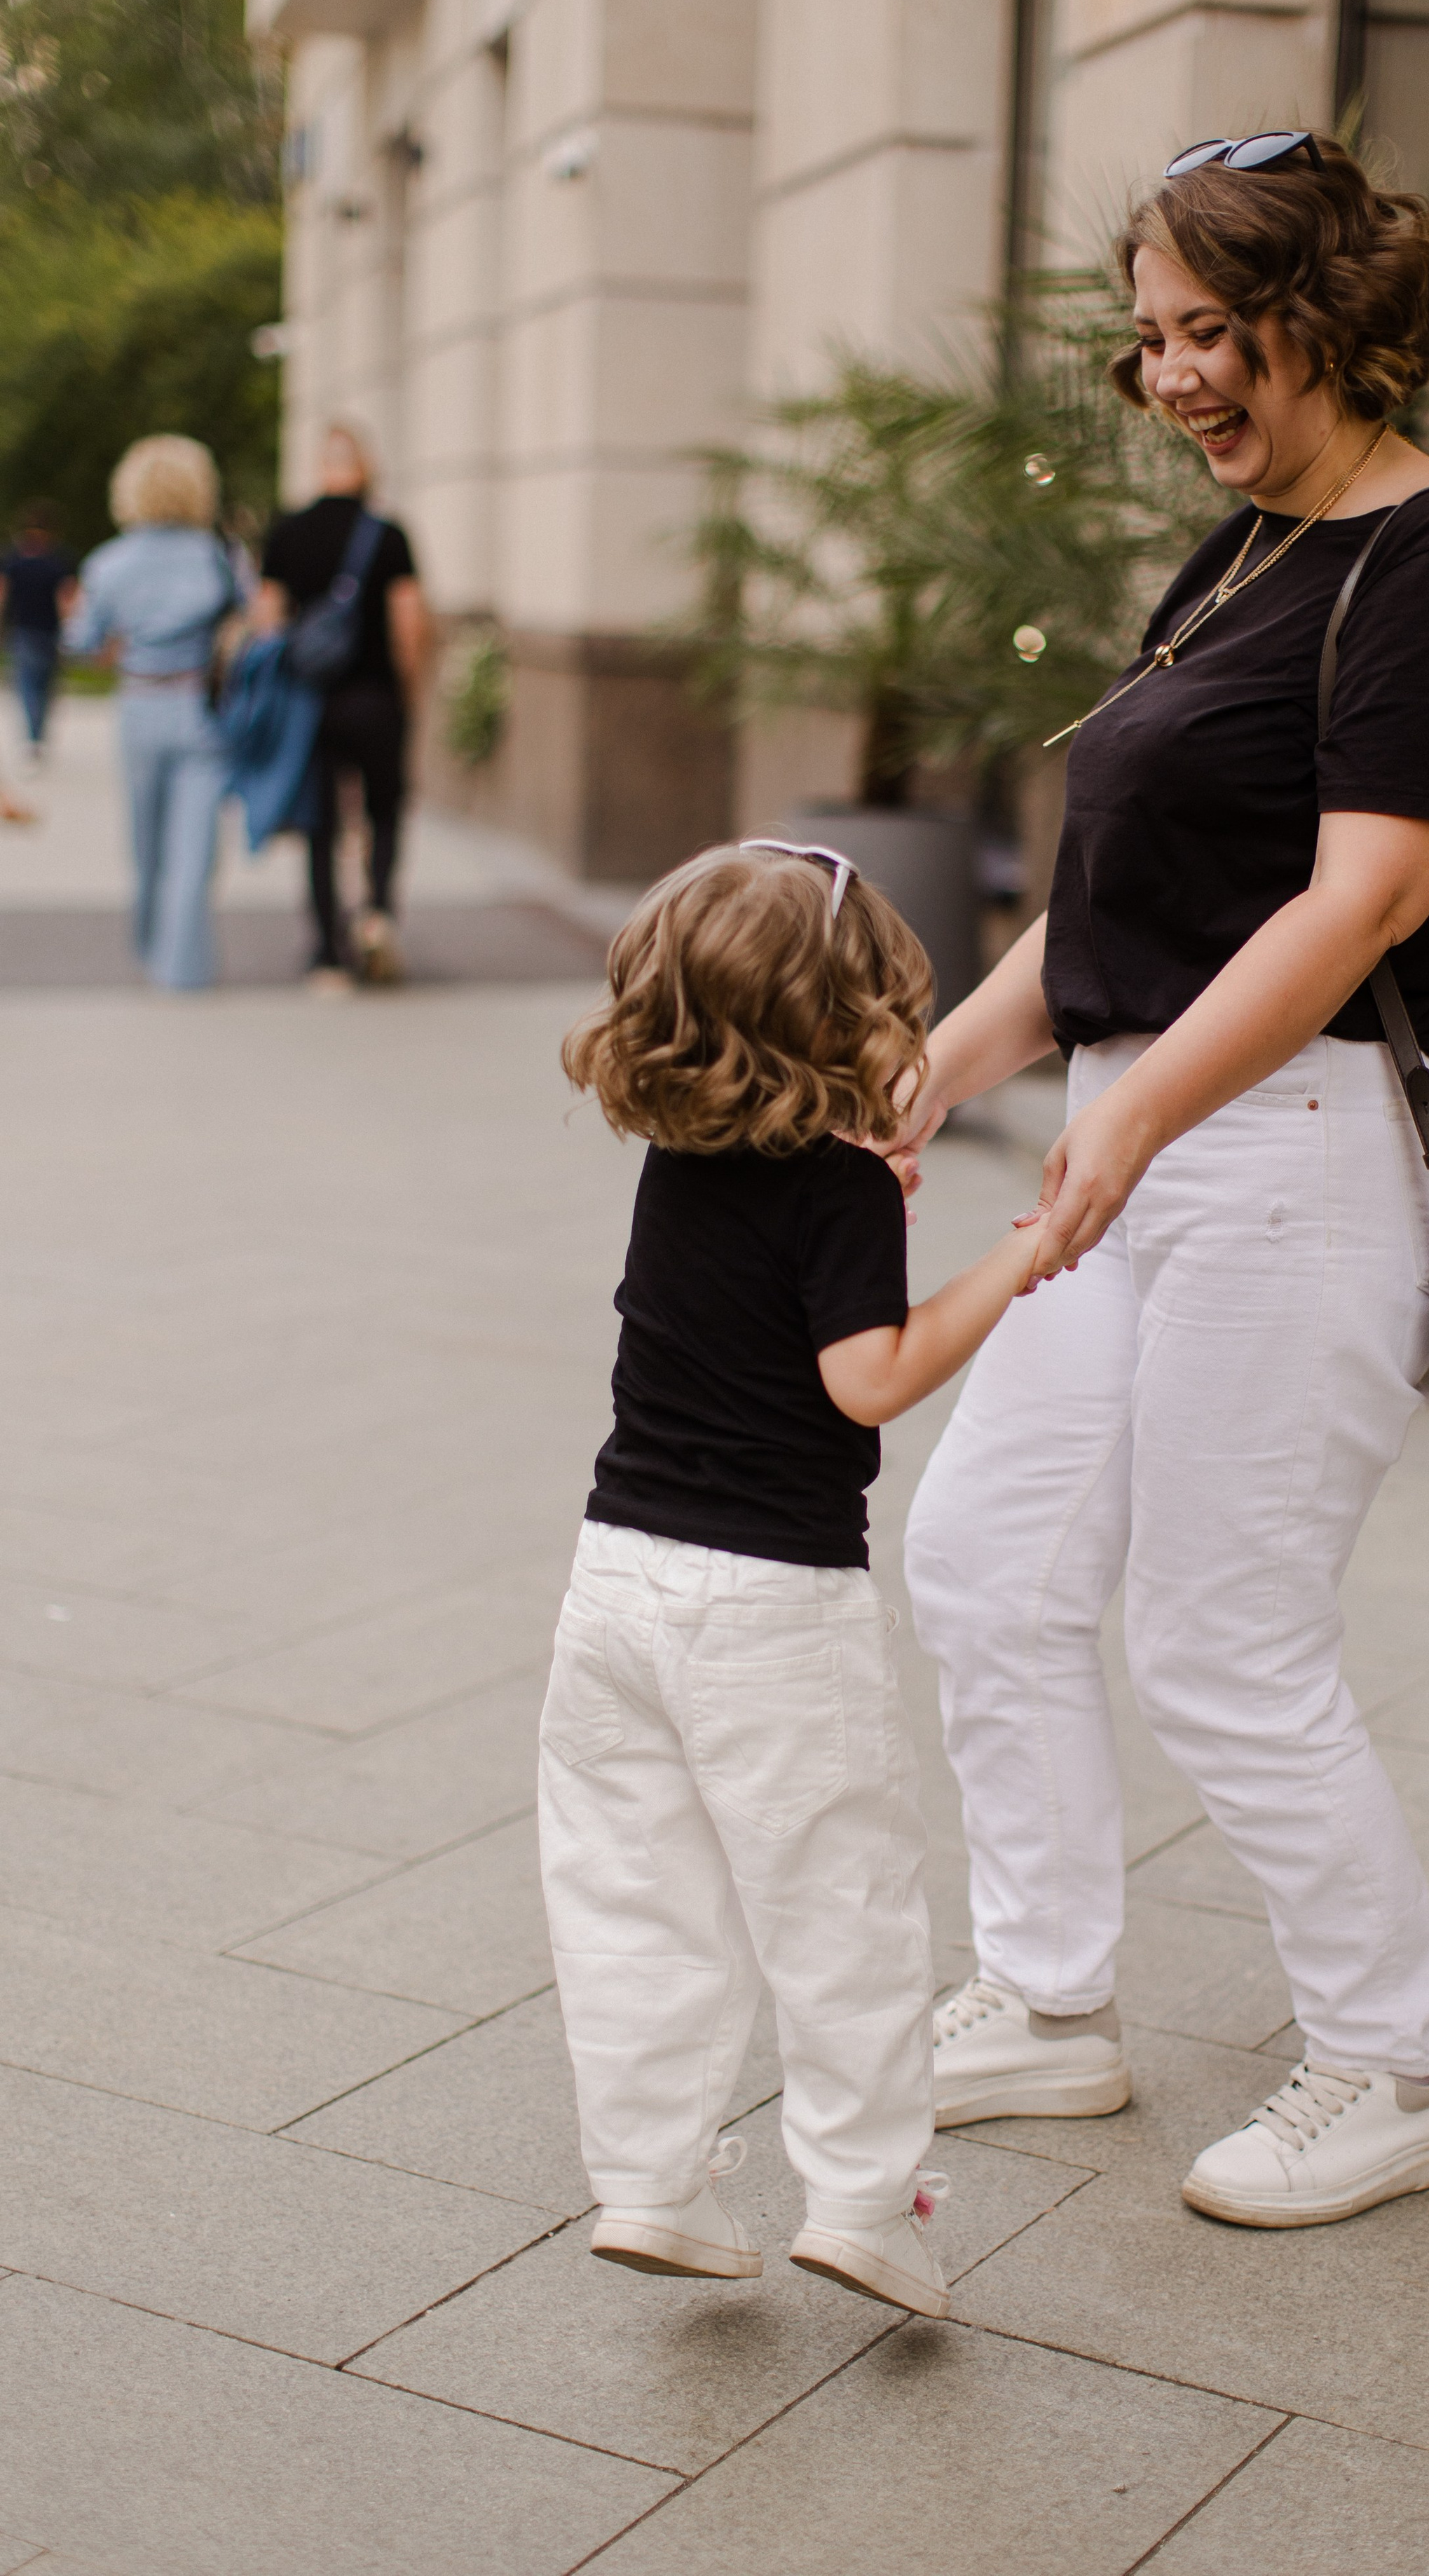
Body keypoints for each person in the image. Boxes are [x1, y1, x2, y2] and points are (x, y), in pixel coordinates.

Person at [896, 130, 1429, 2228]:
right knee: (987, 1559)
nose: (1168, 375)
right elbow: (1111, 894)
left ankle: (1387, 2061)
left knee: (1217, 1630)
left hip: (1281, 1158)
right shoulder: (1248, 543)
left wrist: (1137, 1107)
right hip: (1144, 1129)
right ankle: (1051, 1997)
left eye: (1208, 330)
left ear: (1324, 316)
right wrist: (947, 1067)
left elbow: (1358, 903)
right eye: (1149, 336)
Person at [541, 840, 1051, 2320]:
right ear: (844, 1019)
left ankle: (648, 2183)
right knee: (838, 1908)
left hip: (616, 1584)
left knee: (635, 1893)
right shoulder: (834, 1189)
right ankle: (861, 2205)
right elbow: (865, 1382)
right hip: (772, 1607)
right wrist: (1013, 1264)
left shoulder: (677, 1157)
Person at [256, 423, 430, 992]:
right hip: (377, 698)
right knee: (384, 810)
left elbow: (267, 621)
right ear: (367, 466)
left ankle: (327, 953)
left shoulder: (288, 532)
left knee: (320, 826)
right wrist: (408, 692)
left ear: (319, 467)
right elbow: (409, 621)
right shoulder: (388, 534)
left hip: (312, 707)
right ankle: (377, 912)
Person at [66, 438, 240, 990]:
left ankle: (148, 949)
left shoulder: (110, 563)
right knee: (195, 849)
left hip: (141, 704)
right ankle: (183, 969)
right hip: (201, 707)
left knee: (145, 842)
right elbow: (248, 621)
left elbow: (83, 641)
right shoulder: (218, 557)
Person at [1, 503, 76, 760]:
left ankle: (34, 737)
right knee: (44, 685)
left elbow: (3, 594)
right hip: (48, 632)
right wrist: (71, 631)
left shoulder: (13, 560)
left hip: (24, 630)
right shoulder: (58, 561)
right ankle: (37, 735)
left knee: (28, 685)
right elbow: (67, 600)